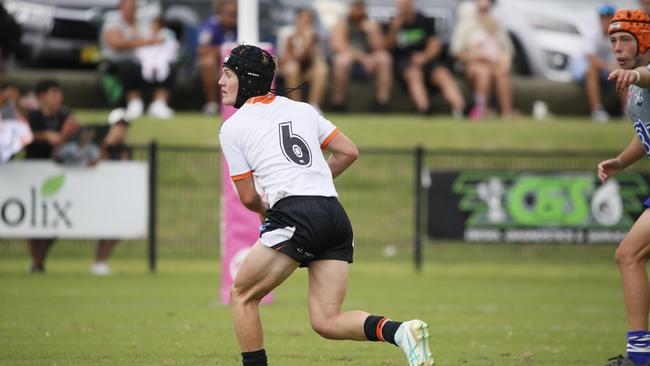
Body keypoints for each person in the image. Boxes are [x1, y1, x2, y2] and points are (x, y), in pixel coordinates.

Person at [218, 44, 433, 366]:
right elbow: (348, 151)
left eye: (227, 74)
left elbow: (248, 197)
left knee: (242, 295)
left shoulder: (233, 126)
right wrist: (314, 180)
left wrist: (270, 211)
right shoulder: (302, 109)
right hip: (333, 215)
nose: (220, 82)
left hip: (295, 215)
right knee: (326, 321)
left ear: (246, 80)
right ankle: (402, 332)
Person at [599, 9, 650, 366]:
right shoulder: (632, 91)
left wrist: (636, 73)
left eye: (625, 39)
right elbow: (646, 135)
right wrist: (621, 160)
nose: (617, 47)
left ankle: (640, 356)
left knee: (628, 254)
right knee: (630, 255)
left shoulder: (639, 77)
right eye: (613, 41)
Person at [25, 80, 81, 273]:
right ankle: (36, 261)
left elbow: (77, 138)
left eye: (60, 94)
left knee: (54, 222)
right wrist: (45, 136)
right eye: (54, 93)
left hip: (58, 175)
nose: (59, 98)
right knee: (33, 221)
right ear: (41, 96)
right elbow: (21, 137)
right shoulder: (32, 117)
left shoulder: (66, 116)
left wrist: (67, 135)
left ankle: (38, 261)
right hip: (32, 174)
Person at [386, 0, 465, 117]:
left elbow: (435, 44)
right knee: (414, 74)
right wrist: (394, 30)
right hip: (405, 62)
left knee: (442, 74)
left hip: (426, 59)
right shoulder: (392, 23)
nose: (401, 9)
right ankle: (424, 109)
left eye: (404, 6)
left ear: (411, 5)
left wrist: (424, 57)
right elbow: (387, 47)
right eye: (399, 6)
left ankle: (460, 109)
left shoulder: (424, 21)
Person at [100, 0, 176, 119]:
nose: (131, 10)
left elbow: (156, 37)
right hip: (118, 61)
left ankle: (159, 103)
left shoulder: (143, 22)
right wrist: (144, 42)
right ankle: (134, 103)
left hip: (143, 60)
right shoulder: (112, 22)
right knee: (127, 66)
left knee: (168, 65)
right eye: (128, 7)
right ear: (121, 8)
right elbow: (117, 44)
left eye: (133, 7)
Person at [450, 0, 513, 120]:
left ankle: (507, 113)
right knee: (483, 73)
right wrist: (476, 56)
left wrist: (504, 61)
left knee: (502, 74)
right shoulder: (466, 23)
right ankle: (480, 111)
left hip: (494, 63)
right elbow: (456, 51)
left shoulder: (496, 23)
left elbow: (507, 48)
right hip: (473, 64)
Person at [329, 0, 392, 112]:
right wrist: (362, 57)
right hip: (351, 59)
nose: (358, 10)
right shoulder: (342, 23)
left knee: (384, 58)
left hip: (370, 61)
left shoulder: (371, 24)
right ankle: (338, 102)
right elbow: (338, 45)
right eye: (355, 7)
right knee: (341, 60)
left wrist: (372, 33)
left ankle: (382, 102)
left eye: (360, 7)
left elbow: (380, 47)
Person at [569, 4, 621, 122]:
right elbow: (591, 60)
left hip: (603, 69)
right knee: (591, 70)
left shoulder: (618, 35)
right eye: (603, 17)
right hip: (580, 67)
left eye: (609, 17)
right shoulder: (591, 33)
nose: (605, 20)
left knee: (622, 72)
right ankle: (597, 111)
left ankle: (627, 111)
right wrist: (611, 67)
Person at [279, 8, 329, 110]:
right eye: (304, 20)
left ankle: (314, 107)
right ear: (297, 20)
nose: (306, 23)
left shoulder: (315, 36)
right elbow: (286, 58)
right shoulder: (287, 33)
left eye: (309, 21)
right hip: (290, 69)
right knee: (292, 67)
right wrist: (305, 44)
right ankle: (297, 107)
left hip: (308, 70)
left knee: (322, 69)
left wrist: (309, 42)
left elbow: (317, 59)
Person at [196, 0, 237, 115]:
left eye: (234, 15)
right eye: (228, 14)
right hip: (217, 63)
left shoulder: (242, 27)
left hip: (236, 64)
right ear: (220, 13)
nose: (232, 18)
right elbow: (201, 50)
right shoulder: (210, 26)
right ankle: (212, 104)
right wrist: (223, 49)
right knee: (207, 62)